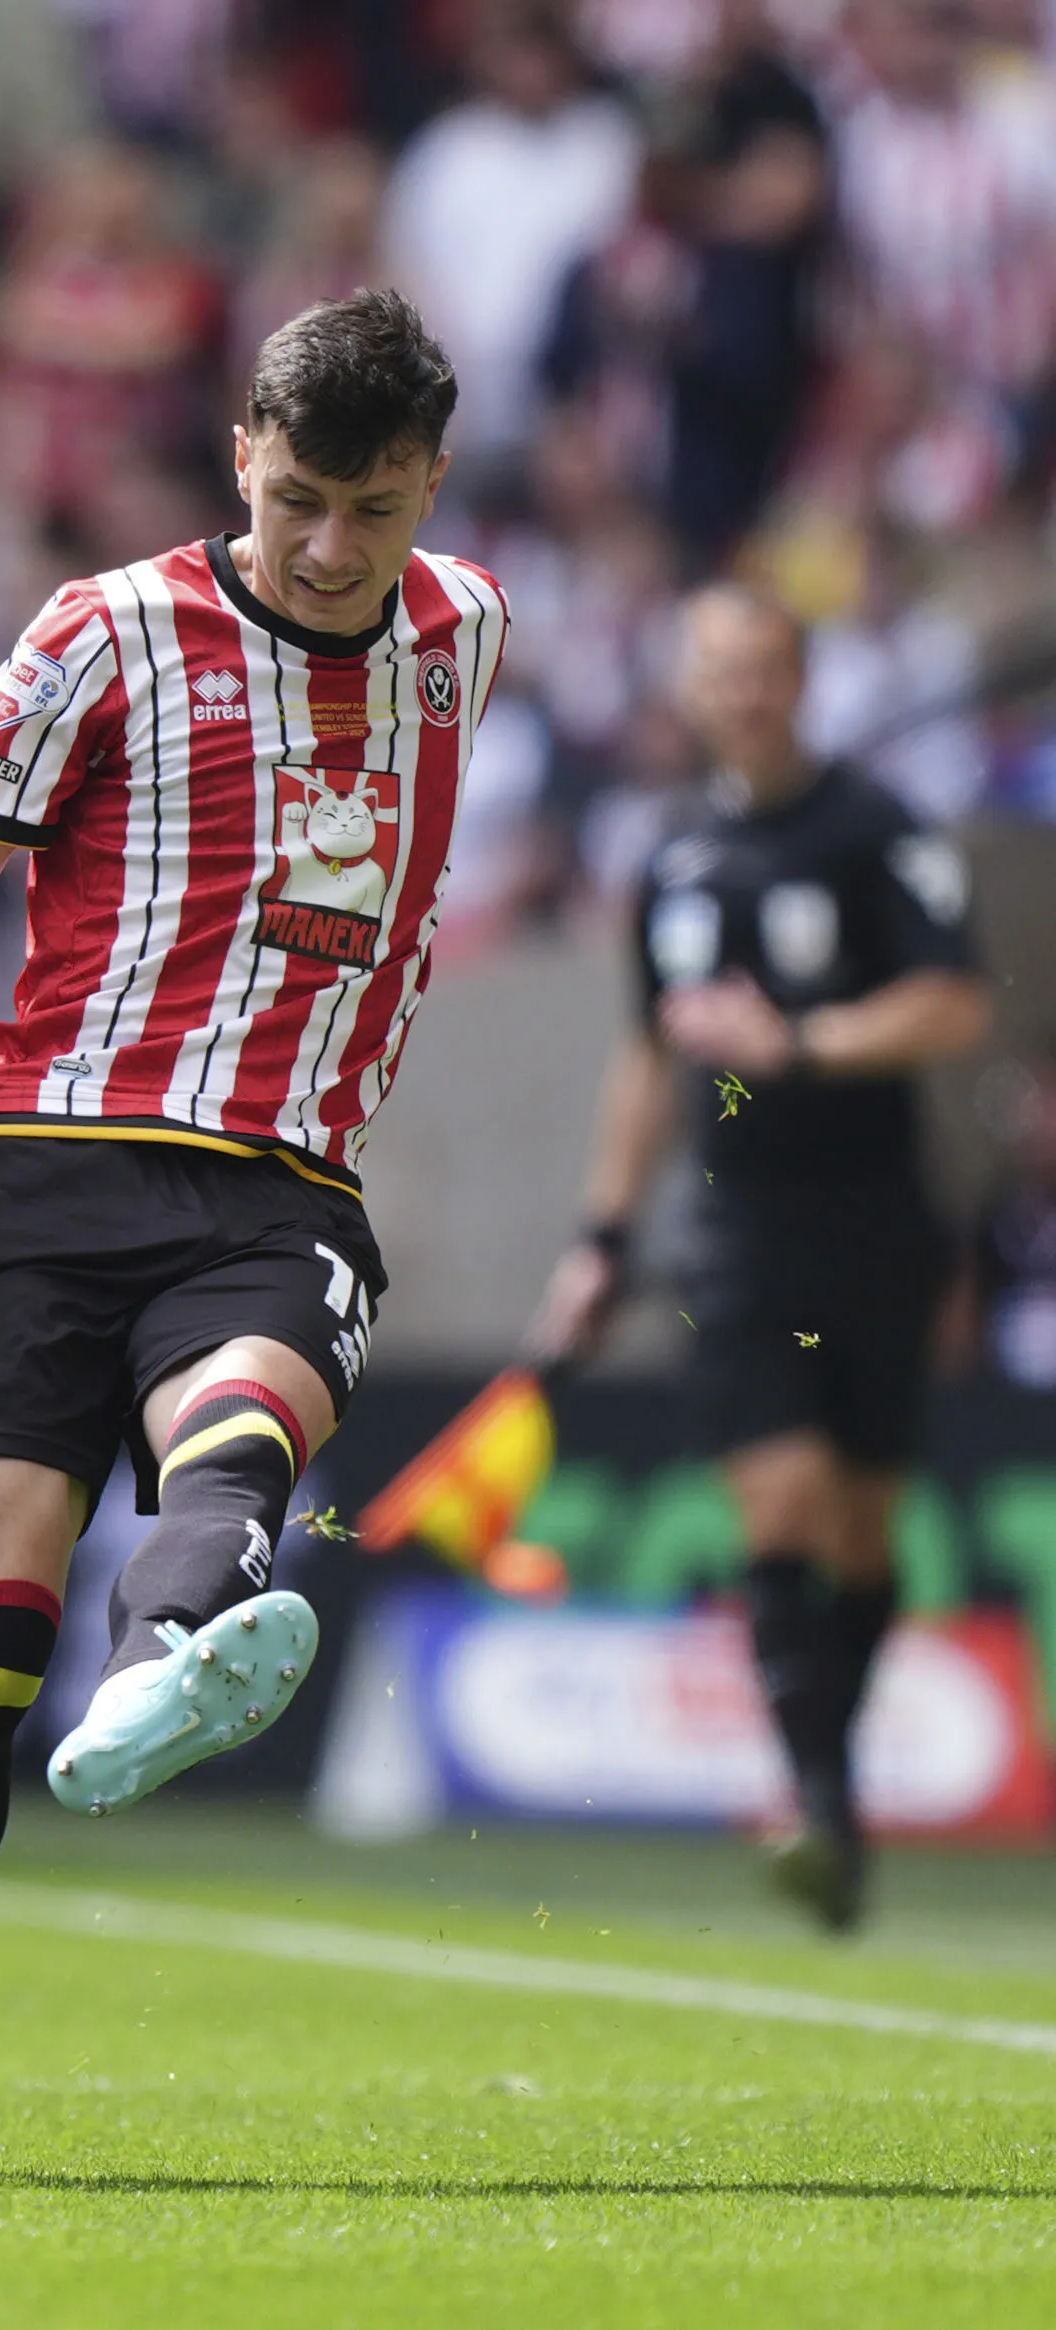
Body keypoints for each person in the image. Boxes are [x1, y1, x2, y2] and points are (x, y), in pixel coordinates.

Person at [0, 290, 507, 2177]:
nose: (326, 549)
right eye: (296, 496)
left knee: (245, 1406)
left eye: (371, 511)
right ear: (240, 453)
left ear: (429, 492)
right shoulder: (102, 633)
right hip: (41, 1174)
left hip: (274, 1177)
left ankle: (174, 1648)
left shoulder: (468, 635)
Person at [528, 584, 987, 1931]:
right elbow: (646, 1055)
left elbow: (952, 1001)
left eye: (764, 667)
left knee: (858, 1528)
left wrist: (803, 1041)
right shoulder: (668, 853)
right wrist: (602, 1235)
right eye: (717, 669)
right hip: (735, 1235)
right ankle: (814, 1797)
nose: (741, 690)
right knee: (777, 1503)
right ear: (687, 685)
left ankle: (828, 1796)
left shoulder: (872, 827)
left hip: (876, 1223)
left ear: (801, 679)